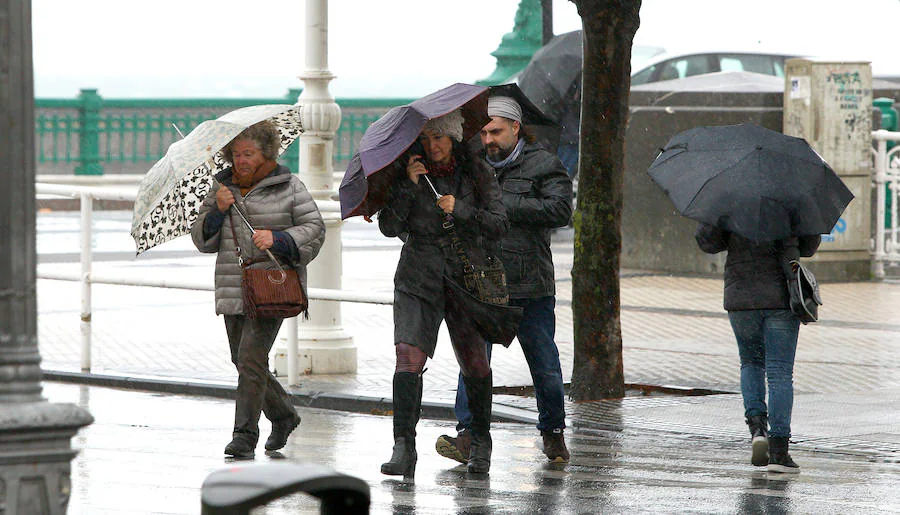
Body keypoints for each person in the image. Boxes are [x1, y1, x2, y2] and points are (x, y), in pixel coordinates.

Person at [435, 95, 574, 465]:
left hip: (530, 283)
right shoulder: (473, 167)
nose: (488, 139)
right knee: (474, 362)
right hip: (480, 282)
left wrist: (499, 206)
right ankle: (469, 436)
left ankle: (553, 432)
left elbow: (561, 210)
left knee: (543, 362)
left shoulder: (544, 164)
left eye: (495, 131)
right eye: (482, 132)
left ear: (515, 127)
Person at [377, 109, 509, 477]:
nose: (432, 145)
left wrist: (460, 209)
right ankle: (404, 445)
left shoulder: (477, 172)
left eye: (439, 137)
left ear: (453, 139)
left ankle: (480, 441)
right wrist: (407, 186)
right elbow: (389, 227)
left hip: (465, 276)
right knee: (408, 357)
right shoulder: (408, 174)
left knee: (475, 364)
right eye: (426, 138)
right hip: (418, 276)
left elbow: (499, 223)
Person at [191, 120, 326, 459]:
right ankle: (283, 415)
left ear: (266, 152)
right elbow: (202, 240)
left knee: (251, 358)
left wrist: (278, 239)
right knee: (243, 359)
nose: (241, 161)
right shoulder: (221, 189)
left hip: (270, 285)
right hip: (233, 286)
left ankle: (244, 435)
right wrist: (217, 212)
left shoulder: (289, 186)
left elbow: (315, 228)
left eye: (248, 153)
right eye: (236, 154)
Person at [695, 223, 820, 474]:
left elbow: (708, 242)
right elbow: (809, 245)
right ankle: (779, 451)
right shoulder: (791, 194)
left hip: (741, 298)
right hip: (781, 297)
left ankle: (757, 429)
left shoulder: (731, 196)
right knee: (780, 373)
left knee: (750, 362)